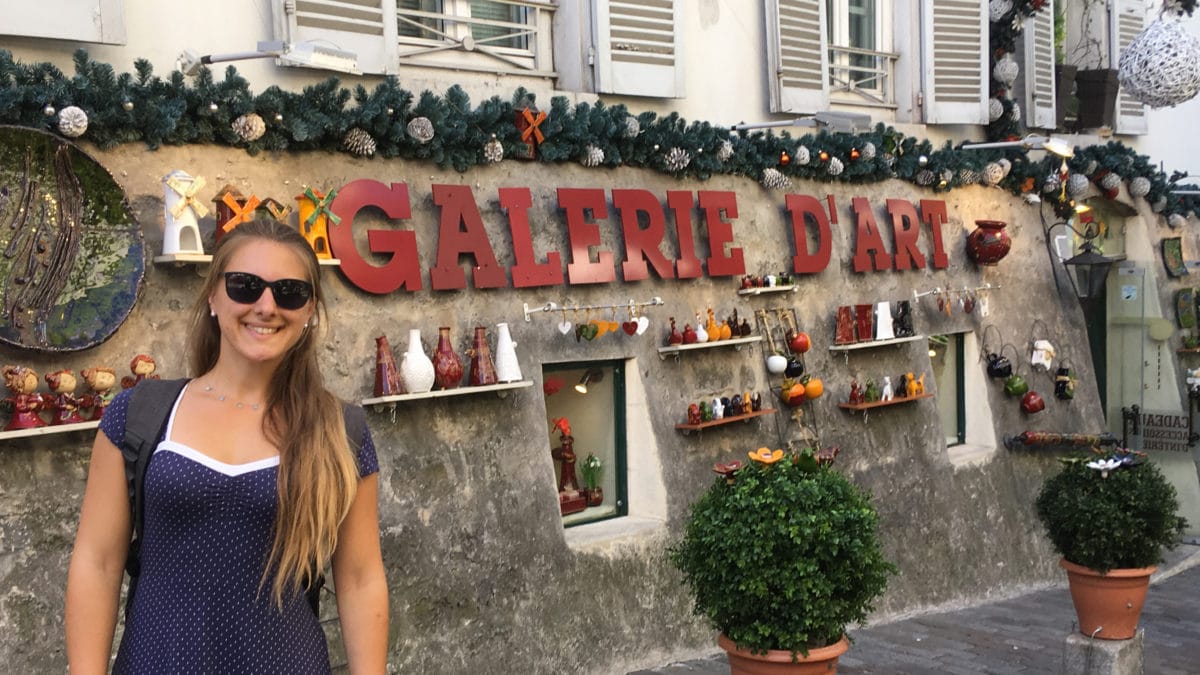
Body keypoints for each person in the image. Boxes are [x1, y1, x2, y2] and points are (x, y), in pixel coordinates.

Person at [65, 219, 388, 674]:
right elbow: (97, 563)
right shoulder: (140, 414)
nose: (266, 305)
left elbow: (359, 579)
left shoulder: (340, 431)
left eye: (290, 292)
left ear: (310, 309)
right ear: (214, 296)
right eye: (245, 286)